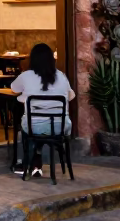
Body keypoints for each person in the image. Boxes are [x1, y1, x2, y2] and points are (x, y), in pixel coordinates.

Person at [10, 43, 76, 177]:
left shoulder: (26, 76)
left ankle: (23, 162)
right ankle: (36, 160)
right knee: (44, 124)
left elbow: (13, 89)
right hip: (60, 127)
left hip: (34, 127)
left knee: (23, 129)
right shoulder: (61, 76)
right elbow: (71, 96)